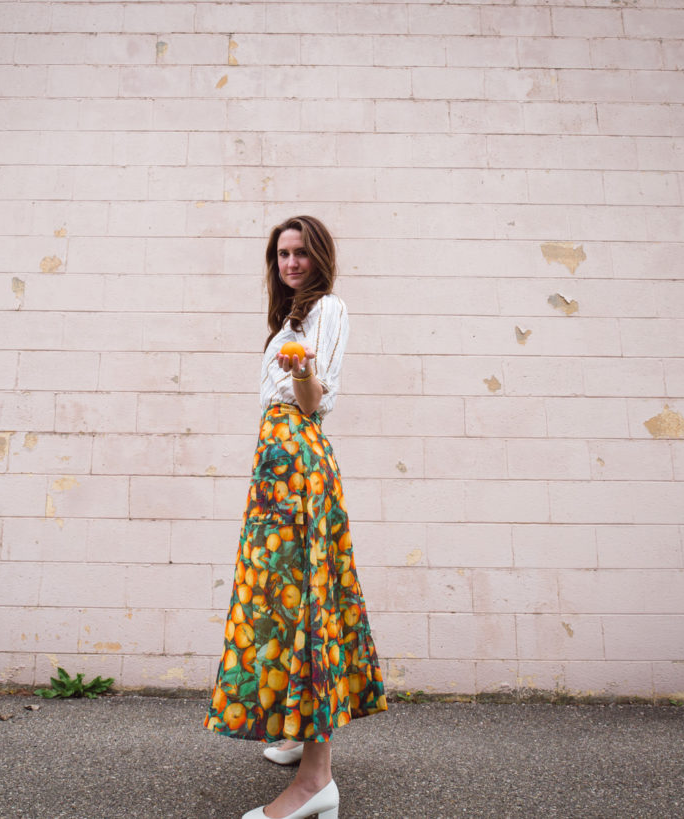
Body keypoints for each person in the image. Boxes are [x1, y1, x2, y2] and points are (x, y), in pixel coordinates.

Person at [204, 216, 387, 819]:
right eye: (282, 254)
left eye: (301, 253)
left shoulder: (327, 310)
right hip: (277, 466)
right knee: (280, 596)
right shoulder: (288, 320)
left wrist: (301, 368)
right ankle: (294, 734)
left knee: (305, 602)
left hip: (300, 466)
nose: (290, 263)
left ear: (319, 258)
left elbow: (314, 404)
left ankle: (317, 781)